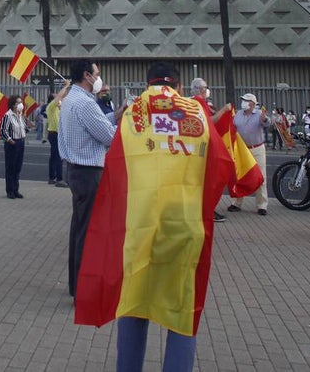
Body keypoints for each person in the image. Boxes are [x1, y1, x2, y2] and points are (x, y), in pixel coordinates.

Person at [75, 62, 233, 372]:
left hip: (140, 224)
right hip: (185, 225)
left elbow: (116, 168)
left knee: (134, 302)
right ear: (179, 85)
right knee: (182, 309)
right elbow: (220, 164)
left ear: (148, 83)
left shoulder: (134, 112)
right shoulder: (197, 112)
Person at [58, 58, 119, 298]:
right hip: (88, 171)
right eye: (97, 74)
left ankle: (77, 285)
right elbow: (108, 136)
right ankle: (83, 289)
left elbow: (98, 125)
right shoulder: (85, 103)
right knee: (88, 232)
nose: (100, 79)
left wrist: (117, 114)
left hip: (76, 170)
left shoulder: (72, 99)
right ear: (87, 75)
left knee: (79, 229)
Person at [189, 77, 228, 224]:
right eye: (205, 88)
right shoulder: (199, 102)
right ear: (201, 90)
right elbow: (209, 122)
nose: (207, 91)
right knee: (207, 180)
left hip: (196, 147)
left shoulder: (192, 102)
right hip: (202, 148)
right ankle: (207, 210)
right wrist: (224, 110)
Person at [228, 93, 270, 216]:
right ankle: (236, 203)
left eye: (246, 100)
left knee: (261, 177)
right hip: (241, 150)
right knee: (239, 175)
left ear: (252, 103)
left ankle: (262, 205)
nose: (244, 102)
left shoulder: (258, 115)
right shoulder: (238, 114)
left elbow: (267, 123)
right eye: (243, 100)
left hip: (256, 148)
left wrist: (265, 119)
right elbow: (232, 127)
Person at [0, 94, 28, 199]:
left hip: (21, 142)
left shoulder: (20, 116)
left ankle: (16, 190)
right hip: (12, 144)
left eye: (21, 102)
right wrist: (10, 140)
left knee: (18, 167)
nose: (20, 104)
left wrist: (27, 130)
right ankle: (10, 190)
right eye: (18, 102)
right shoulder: (8, 116)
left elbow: (23, 128)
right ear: (13, 104)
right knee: (10, 168)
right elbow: (2, 130)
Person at [45, 85, 70, 187]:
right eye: (56, 97)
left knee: (54, 156)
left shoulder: (57, 109)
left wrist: (67, 89)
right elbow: (60, 96)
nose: (60, 100)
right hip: (54, 134)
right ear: (53, 99)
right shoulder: (51, 107)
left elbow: (64, 97)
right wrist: (66, 85)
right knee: (59, 156)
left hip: (56, 133)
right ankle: (59, 179)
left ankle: (52, 177)